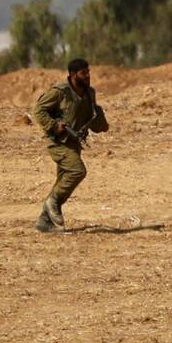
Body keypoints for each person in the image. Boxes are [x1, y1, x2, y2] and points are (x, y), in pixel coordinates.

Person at [31, 58, 110, 232]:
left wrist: (101, 124)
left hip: (74, 143)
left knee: (63, 181)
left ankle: (45, 221)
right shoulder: (60, 92)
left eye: (88, 72)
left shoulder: (90, 93)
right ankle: (51, 202)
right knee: (77, 171)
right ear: (73, 75)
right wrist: (54, 126)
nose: (88, 76)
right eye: (84, 73)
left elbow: (92, 118)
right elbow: (38, 110)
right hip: (57, 142)